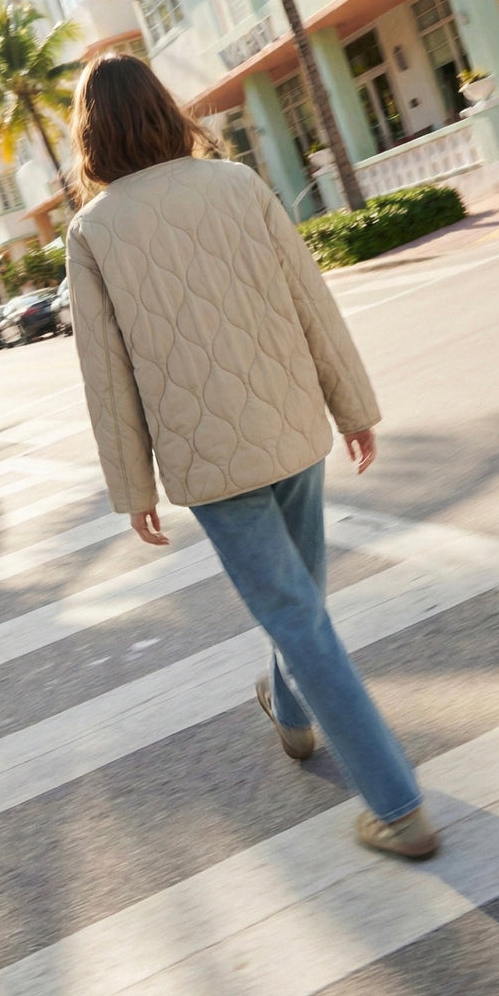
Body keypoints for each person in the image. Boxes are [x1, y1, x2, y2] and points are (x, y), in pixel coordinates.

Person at [66, 54, 437, 860]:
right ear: (165, 111)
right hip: (292, 425)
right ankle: (295, 717)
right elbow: (311, 297)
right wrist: (353, 407)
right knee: (299, 608)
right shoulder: (235, 183)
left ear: (88, 135)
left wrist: (135, 487)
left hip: (210, 462)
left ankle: (398, 806)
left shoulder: (92, 230)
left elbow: (108, 377)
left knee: (296, 616)